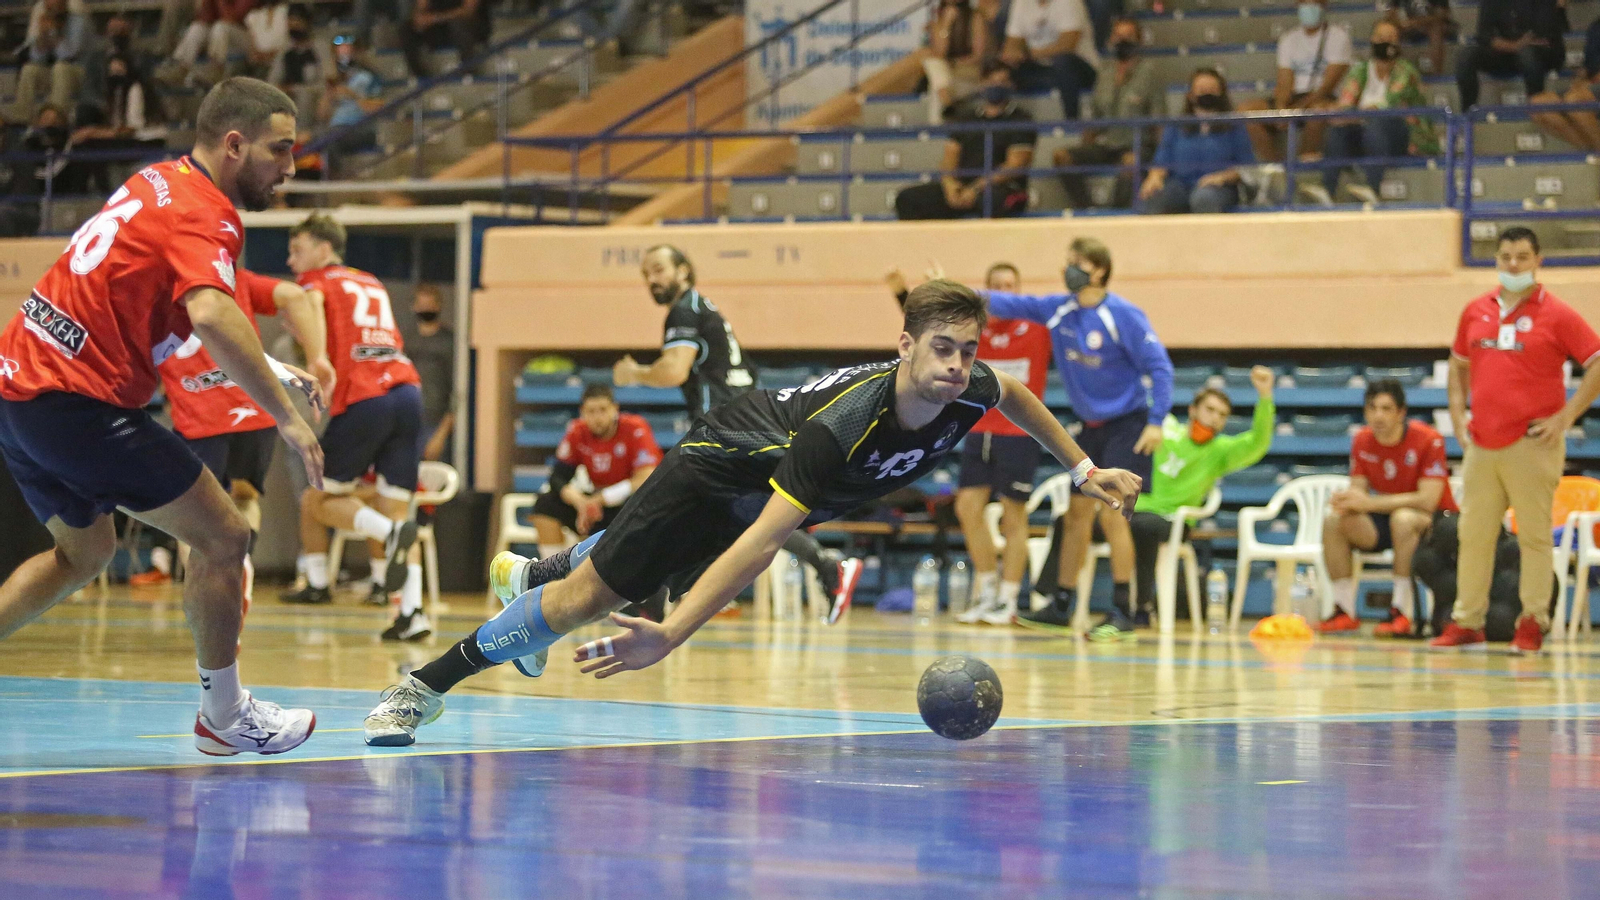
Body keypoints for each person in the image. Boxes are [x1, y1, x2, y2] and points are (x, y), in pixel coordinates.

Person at [361, 282, 1144, 746]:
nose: (958, 366)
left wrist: (1082, 469)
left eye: (968, 350)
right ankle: (423, 685)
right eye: (942, 348)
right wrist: (670, 635)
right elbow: (765, 543)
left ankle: (552, 569)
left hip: (766, 494)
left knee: (614, 579)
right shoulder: (843, 428)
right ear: (904, 344)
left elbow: (1016, 394)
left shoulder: (969, 387)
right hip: (717, 469)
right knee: (583, 604)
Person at [0, 77, 321, 756]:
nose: (291, 168)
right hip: (76, 403)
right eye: (280, 150)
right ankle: (225, 717)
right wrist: (288, 418)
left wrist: (272, 368)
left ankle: (223, 715)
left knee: (83, 554)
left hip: (19, 389)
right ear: (234, 145)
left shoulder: (158, 179)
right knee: (225, 538)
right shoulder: (208, 215)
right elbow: (209, 311)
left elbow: (175, 311)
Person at [613, 245, 858, 617]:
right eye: (646, 273)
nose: (651, 279)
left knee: (678, 501)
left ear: (683, 270)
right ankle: (659, 596)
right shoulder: (703, 309)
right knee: (737, 512)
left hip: (725, 424)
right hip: (745, 420)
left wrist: (635, 373)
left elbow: (674, 370)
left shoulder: (685, 310)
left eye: (659, 269)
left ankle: (654, 595)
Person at [981, 237, 1173, 639]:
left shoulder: (1123, 315)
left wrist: (1156, 420)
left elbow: (1161, 368)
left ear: (1098, 270)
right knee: (1076, 515)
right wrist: (951, 291)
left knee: (1114, 512)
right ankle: (1062, 604)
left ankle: (1124, 610)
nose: (1067, 269)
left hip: (1129, 424)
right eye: (1067, 261)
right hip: (1090, 428)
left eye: (1076, 263)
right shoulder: (1058, 309)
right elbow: (1006, 303)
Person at [1434, 227, 1600, 653]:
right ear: (1496, 260)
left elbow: (1595, 362)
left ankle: (1532, 621)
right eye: (1505, 256)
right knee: (1473, 534)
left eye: (1522, 257)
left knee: (1534, 536)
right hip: (1481, 444)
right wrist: (1458, 415)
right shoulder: (1476, 310)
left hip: (1533, 443)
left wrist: (1566, 417)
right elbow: (1458, 365)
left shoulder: (1558, 314)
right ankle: (1467, 620)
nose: (1513, 265)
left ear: (1537, 260)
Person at [280, 214, 430, 644]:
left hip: (366, 397)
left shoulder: (315, 282)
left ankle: (388, 535)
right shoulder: (371, 281)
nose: (293, 261)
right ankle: (413, 614)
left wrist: (314, 360)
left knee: (317, 500)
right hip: (407, 393)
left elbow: (316, 325)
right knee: (397, 508)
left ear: (324, 248)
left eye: (298, 249)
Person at [152, 269, 331, 608]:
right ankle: (241, 566)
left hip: (200, 420)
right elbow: (294, 295)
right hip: (254, 411)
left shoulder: (153, 292)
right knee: (245, 496)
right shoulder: (231, 278)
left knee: (191, 515)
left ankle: (206, 599)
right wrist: (316, 356)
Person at [887, 262, 1051, 625]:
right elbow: (932, 331)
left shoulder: (1039, 328)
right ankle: (987, 590)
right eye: (995, 286)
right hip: (978, 430)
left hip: (1018, 435)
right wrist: (907, 292)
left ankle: (1008, 600)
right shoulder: (977, 329)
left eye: (1009, 285)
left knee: (1013, 516)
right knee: (967, 508)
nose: (1002, 291)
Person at [1130, 367, 1274, 626]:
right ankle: (1051, 598)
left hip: (1175, 522)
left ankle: (1142, 607)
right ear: (1193, 410)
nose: (1215, 418)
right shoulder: (1164, 427)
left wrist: (1265, 396)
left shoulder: (1220, 451)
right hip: (1135, 510)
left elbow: (1258, 443)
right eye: (1210, 410)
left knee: (1144, 526)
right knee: (1072, 520)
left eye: (1222, 415)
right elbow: (1140, 403)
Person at [1319, 378, 1457, 637]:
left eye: (1386, 409)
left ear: (1401, 413)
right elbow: (1359, 490)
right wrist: (1347, 500)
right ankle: (1344, 611)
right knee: (1334, 521)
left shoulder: (1428, 439)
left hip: (1435, 522)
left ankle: (1401, 611)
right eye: (1372, 408)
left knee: (1403, 519)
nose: (1378, 415)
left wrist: (1369, 502)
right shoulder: (1362, 440)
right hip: (1388, 517)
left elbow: (1428, 499)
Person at [532, 383, 661, 566]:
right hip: (596, 507)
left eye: (603, 410)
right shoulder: (578, 431)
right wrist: (581, 503)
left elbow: (645, 477)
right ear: (582, 412)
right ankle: (551, 576)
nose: (597, 417)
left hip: (630, 504)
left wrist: (600, 500)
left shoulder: (635, 428)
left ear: (615, 409)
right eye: (591, 411)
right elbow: (557, 478)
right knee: (545, 503)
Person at [1315, 20, 1439, 206]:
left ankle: (1372, 188)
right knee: (1338, 130)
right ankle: (1327, 190)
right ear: (1372, 40)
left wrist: (1354, 115)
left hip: (1401, 136)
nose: (1386, 42)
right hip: (1365, 133)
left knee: (1377, 122)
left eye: (1391, 38)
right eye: (1381, 37)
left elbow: (1388, 105)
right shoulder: (1361, 70)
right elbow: (1346, 104)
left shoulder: (1406, 71)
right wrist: (1336, 111)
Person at [895, 65, 1036, 220]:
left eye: (1002, 81)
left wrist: (975, 189)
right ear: (982, 84)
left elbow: (1015, 165)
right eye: (991, 81)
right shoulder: (965, 118)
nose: (996, 86)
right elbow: (949, 158)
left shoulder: (1021, 120)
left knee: (990, 200)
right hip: (962, 186)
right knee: (908, 198)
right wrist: (950, 185)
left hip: (1001, 188)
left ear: (1011, 85)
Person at [1054, 16, 1156, 211]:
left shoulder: (1150, 73)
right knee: (1062, 157)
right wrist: (1085, 147)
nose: (1123, 41)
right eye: (1118, 36)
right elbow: (1095, 116)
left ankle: (1117, 214)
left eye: (1128, 36)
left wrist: (1160, 162)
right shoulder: (1105, 73)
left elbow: (1159, 120)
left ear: (1139, 41)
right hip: (1108, 144)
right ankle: (1088, 209)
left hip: (1137, 144)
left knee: (1130, 162)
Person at [1240, 0, 1352, 162]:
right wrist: (1281, 109)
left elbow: (1328, 86)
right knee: (1247, 111)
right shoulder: (1288, 39)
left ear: (1323, 6)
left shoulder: (1338, 37)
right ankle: (1274, 166)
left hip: (1322, 98)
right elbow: (1284, 81)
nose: (1308, 7)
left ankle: (1303, 165)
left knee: (1318, 112)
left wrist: (1296, 110)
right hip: (1295, 98)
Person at [1137, 69, 1255, 215]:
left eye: (1212, 90)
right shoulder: (1176, 126)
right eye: (1201, 90)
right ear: (1191, 95)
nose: (1207, 94)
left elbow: (1246, 166)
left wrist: (1222, 177)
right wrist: (1154, 178)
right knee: (1152, 195)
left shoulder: (1234, 126)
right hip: (1180, 184)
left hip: (1218, 187)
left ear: (1221, 94)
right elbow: (1162, 160)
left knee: (1203, 198)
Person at [1454, 0, 1565, 111]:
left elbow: (1542, 31)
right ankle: (1468, 113)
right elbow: (1484, 35)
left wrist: (1519, 45)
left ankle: (1536, 110)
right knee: (1466, 55)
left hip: (1539, 52)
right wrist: (1513, 46)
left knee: (1528, 54)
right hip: (1506, 51)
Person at [999, 0, 1099, 119]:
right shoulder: (1021, 3)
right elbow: (1011, 43)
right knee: (1001, 67)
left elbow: (1067, 45)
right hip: (1041, 70)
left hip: (1079, 69)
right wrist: (1014, 54)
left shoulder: (1070, 2)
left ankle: (1071, 122)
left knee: (1063, 61)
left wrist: (1027, 54)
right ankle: (1002, 121)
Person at [1530, 16, 1600, 153]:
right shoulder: (1596, 27)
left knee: (1576, 100)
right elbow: (1589, 65)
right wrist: (1580, 80)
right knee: (1538, 103)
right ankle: (1589, 151)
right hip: (1592, 84)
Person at [13, 0, 88, 124]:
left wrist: (53, 32)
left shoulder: (77, 21)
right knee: (29, 69)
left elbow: (68, 55)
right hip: (53, 72)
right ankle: (21, 117)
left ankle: (55, 118)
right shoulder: (43, 19)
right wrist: (43, 36)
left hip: (79, 72)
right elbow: (36, 58)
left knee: (60, 68)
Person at [407, 284, 455, 462]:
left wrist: (442, 433)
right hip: (408, 421)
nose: (426, 309)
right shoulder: (406, 341)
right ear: (414, 307)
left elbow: (457, 390)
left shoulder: (448, 343)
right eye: (422, 305)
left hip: (436, 422)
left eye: (430, 305)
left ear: (439, 307)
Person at [923, 0, 988, 124]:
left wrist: (955, 63)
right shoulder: (939, 20)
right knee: (933, 65)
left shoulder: (975, 17)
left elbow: (978, 55)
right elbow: (939, 52)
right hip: (946, 75)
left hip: (967, 74)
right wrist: (946, 25)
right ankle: (948, 106)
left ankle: (936, 132)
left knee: (938, 88)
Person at [401, 0, 488, 79]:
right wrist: (420, 19)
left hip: (468, 25)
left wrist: (435, 18)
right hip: (439, 26)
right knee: (407, 29)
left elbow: (468, 11)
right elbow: (421, 8)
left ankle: (468, 71)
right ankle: (419, 75)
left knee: (458, 24)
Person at [1379, 0, 1455, 76]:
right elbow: (1391, 12)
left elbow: (1442, 15)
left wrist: (1417, 22)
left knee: (1437, 29)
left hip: (1433, 25)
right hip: (1410, 25)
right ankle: (1393, 72)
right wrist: (1401, 23)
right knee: (1389, 30)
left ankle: (1437, 72)